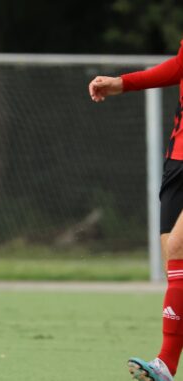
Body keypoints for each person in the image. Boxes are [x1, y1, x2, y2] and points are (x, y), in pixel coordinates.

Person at [89, 39, 183, 381]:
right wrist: (122, 83)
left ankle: (165, 365)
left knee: (177, 248)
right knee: (174, 266)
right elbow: (178, 66)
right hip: (178, 159)